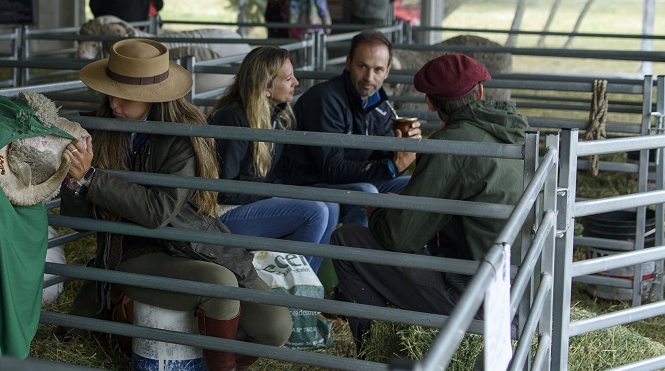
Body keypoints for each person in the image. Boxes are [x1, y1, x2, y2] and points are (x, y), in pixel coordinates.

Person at [61, 38, 292, 371]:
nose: (113, 103)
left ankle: (231, 366)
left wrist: (93, 178)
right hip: (132, 250)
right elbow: (75, 217)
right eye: (110, 93)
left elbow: (157, 211)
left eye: (124, 95)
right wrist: (75, 182)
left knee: (276, 324)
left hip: (192, 242)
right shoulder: (98, 130)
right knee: (220, 287)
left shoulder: (183, 136)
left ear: (155, 96)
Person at [332, 54, 528, 346]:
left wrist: (378, 211)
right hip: (523, 290)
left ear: (431, 103)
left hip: (476, 298)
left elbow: (401, 237)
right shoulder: (517, 134)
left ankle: (373, 357)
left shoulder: (447, 146)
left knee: (347, 240)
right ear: (481, 92)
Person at [209, 47, 339, 274]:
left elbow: (281, 172)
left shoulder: (277, 115)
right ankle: (292, 296)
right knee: (315, 211)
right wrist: (273, 192)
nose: (296, 83)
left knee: (331, 204)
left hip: (254, 202)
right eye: (288, 79)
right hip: (224, 214)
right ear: (266, 87)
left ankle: (308, 287)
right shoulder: (233, 119)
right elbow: (221, 189)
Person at [280, 30, 420, 224]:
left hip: (348, 181)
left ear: (387, 71)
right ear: (348, 63)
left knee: (415, 184)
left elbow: (382, 162)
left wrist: (403, 151)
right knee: (367, 193)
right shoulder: (325, 99)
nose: (369, 77)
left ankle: (403, 250)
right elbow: (332, 168)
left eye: (378, 70)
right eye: (362, 66)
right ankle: (351, 252)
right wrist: (391, 166)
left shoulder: (379, 105)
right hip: (311, 183)